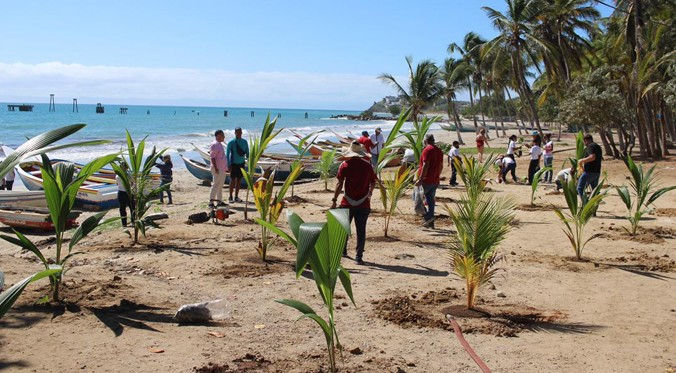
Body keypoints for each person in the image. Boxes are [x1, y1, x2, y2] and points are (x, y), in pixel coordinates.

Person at [331, 141, 376, 265]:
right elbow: (373, 182)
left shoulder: (345, 165)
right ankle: (358, 256)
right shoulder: (367, 166)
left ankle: (343, 251)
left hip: (347, 202)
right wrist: (370, 193)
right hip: (363, 203)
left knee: (344, 228)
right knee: (361, 230)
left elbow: (339, 184)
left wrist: (334, 200)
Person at [416, 133, 444, 228]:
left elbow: (425, 165)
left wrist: (420, 178)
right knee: (430, 200)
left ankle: (428, 218)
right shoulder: (439, 151)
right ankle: (430, 222)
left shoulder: (427, 150)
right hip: (435, 180)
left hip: (426, 180)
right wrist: (437, 175)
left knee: (417, 199)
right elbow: (441, 166)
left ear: (425, 141)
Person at [577, 133, 603, 207]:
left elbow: (592, 157)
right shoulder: (597, 146)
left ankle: (587, 205)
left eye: (584, 142)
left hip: (589, 172)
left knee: (580, 188)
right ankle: (594, 208)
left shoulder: (590, 146)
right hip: (596, 172)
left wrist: (582, 160)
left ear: (586, 141)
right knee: (594, 191)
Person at [226, 127, 249, 203]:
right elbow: (227, 154)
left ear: (242, 132)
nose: (239, 133)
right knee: (232, 180)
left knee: (239, 180)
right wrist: (228, 165)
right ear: (235, 133)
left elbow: (247, 153)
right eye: (237, 132)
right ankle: (230, 197)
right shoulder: (231, 142)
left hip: (241, 164)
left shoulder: (245, 142)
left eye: (240, 132)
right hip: (233, 164)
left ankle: (236, 196)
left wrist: (251, 161)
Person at [209, 130, 228, 207]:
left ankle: (219, 201)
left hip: (222, 168)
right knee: (216, 185)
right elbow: (212, 157)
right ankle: (211, 202)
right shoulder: (215, 144)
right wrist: (216, 168)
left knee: (220, 185)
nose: (224, 137)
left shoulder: (219, 144)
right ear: (218, 135)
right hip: (218, 168)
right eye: (223, 135)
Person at [116, 163, 134, 227]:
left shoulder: (118, 175)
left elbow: (117, 184)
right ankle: (133, 221)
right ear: (127, 168)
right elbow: (132, 183)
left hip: (121, 192)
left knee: (122, 208)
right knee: (132, 207)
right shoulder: (128, 175)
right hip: (128, 192)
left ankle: (124, 224)